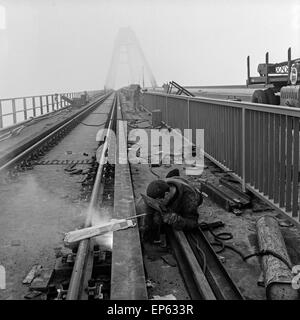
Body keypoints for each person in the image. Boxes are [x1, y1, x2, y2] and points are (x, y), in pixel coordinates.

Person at [136, 170, 203, 243]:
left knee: (183, 213)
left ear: (167, 195)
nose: (157, 204)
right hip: (175, 180)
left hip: (193, 194)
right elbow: (149, 206)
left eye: (159, 202)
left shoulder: (189, 198)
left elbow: (193, 223)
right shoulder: (161, 186)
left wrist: (177, 220)